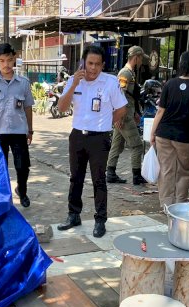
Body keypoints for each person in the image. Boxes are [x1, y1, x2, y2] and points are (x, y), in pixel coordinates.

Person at [55, 45, 127, 238]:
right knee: (75, 177)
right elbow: (61, 108)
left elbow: (121, 109)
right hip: (77, 136)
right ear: (83, 63)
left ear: (103, 65)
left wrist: (105, 124)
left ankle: (100, 220)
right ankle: (73, 215)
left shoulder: (111, 83)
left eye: (97, 64)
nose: (93, 68)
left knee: (99, 180)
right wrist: (73, 85)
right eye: (90, 63)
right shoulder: (73, 80)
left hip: (99, 139)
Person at [150, 51, 189, 208]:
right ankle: (179, 204)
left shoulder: (169, 84)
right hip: (184, 136)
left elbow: (160, 111)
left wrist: (152, 132)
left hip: (163, 133)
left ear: (180, 64)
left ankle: (166, 205)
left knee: (166, 169)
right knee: (184, 171)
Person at [0, 43, 34, 208]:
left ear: (14, 58)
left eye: (9, 60)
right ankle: (1, 196)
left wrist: (30, 130)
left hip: (19, 132)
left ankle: (22, 191)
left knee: (22, 166)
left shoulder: (23, 83)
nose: (6, 64)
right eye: (2, 61)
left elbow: (28, 107)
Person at [106, 46, 147, 185]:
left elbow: (130, 96)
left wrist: (135, 111)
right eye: (141, 58)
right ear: (136, 57)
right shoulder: (125, 73)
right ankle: (136, 176)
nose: (142, 61)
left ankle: (110, 172)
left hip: (127, 113)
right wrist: (119, 116)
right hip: (124, 115)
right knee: (137, 146)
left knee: (117, 145)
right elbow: (119, 94)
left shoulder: (130, 73)